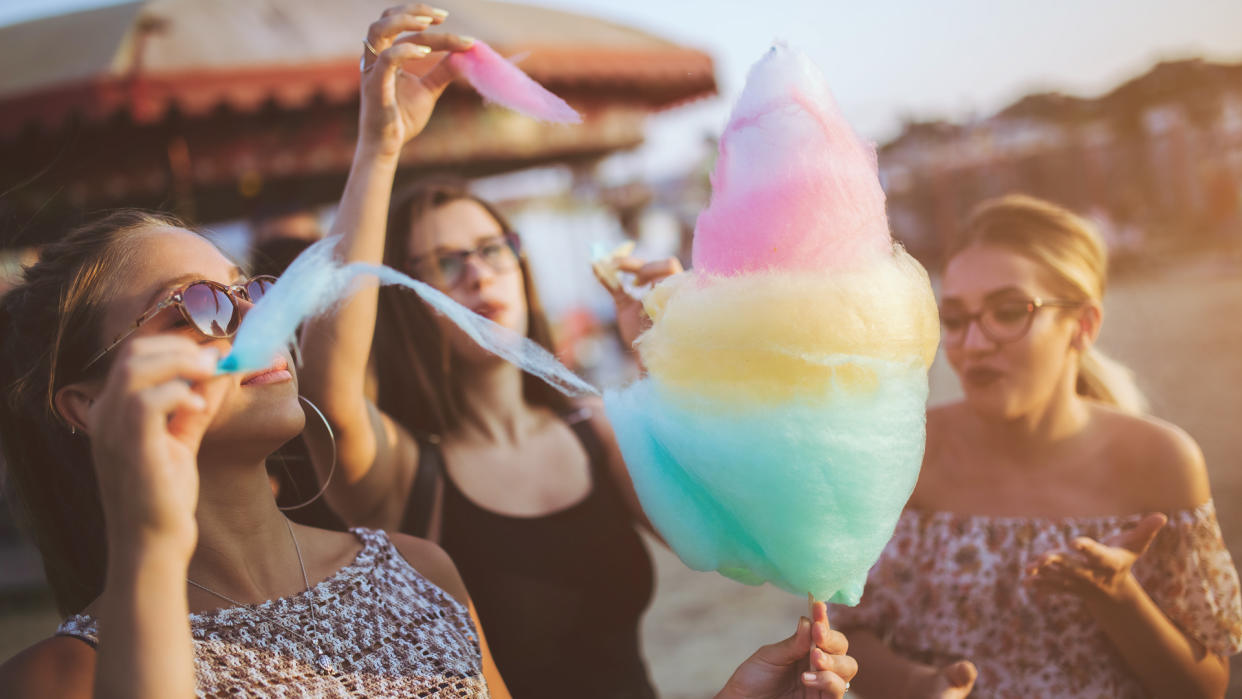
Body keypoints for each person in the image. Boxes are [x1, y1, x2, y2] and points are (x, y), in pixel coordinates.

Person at [296, 10, 682, 699]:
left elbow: (709, 535)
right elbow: (329, 394)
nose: (478, 274)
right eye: (444, 262)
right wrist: (379, 149)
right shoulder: (408, 471)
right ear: (406, 297)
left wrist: (669, 354)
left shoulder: (593, 428)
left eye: (491, 249)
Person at [830, 194, 1242, 697]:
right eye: (955, 319)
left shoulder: (1162, 463)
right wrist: (919, 685)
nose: (974, 344)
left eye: (1008, 311)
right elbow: (843, 636)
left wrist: (1120, 599)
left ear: (1084, 326)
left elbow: (1205, 688)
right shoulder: (902, 454)